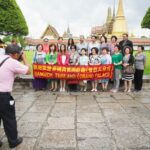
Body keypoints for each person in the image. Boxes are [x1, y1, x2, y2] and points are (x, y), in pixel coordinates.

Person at [0, 44, 30, 148]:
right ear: (16, 54)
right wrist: (25, 58)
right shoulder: (12, 62)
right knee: (9, 119)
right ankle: (13, 141)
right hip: (3, 96)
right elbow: (28, 70)